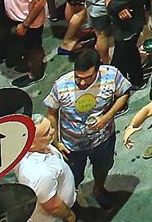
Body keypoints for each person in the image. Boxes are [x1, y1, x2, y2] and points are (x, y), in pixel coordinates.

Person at [46, 47, 131, 206]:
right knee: (72, 177)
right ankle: (72, 200)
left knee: (103, 167)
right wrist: (56, 142)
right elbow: (51, 113)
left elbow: (124, 94)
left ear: (98, 70)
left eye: (88, 77)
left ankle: (98, 189)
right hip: (72, 145)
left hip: (103, 139)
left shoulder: (111, 75)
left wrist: (107, 117)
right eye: (79, 78)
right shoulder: (62, 86)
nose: (83, 82)